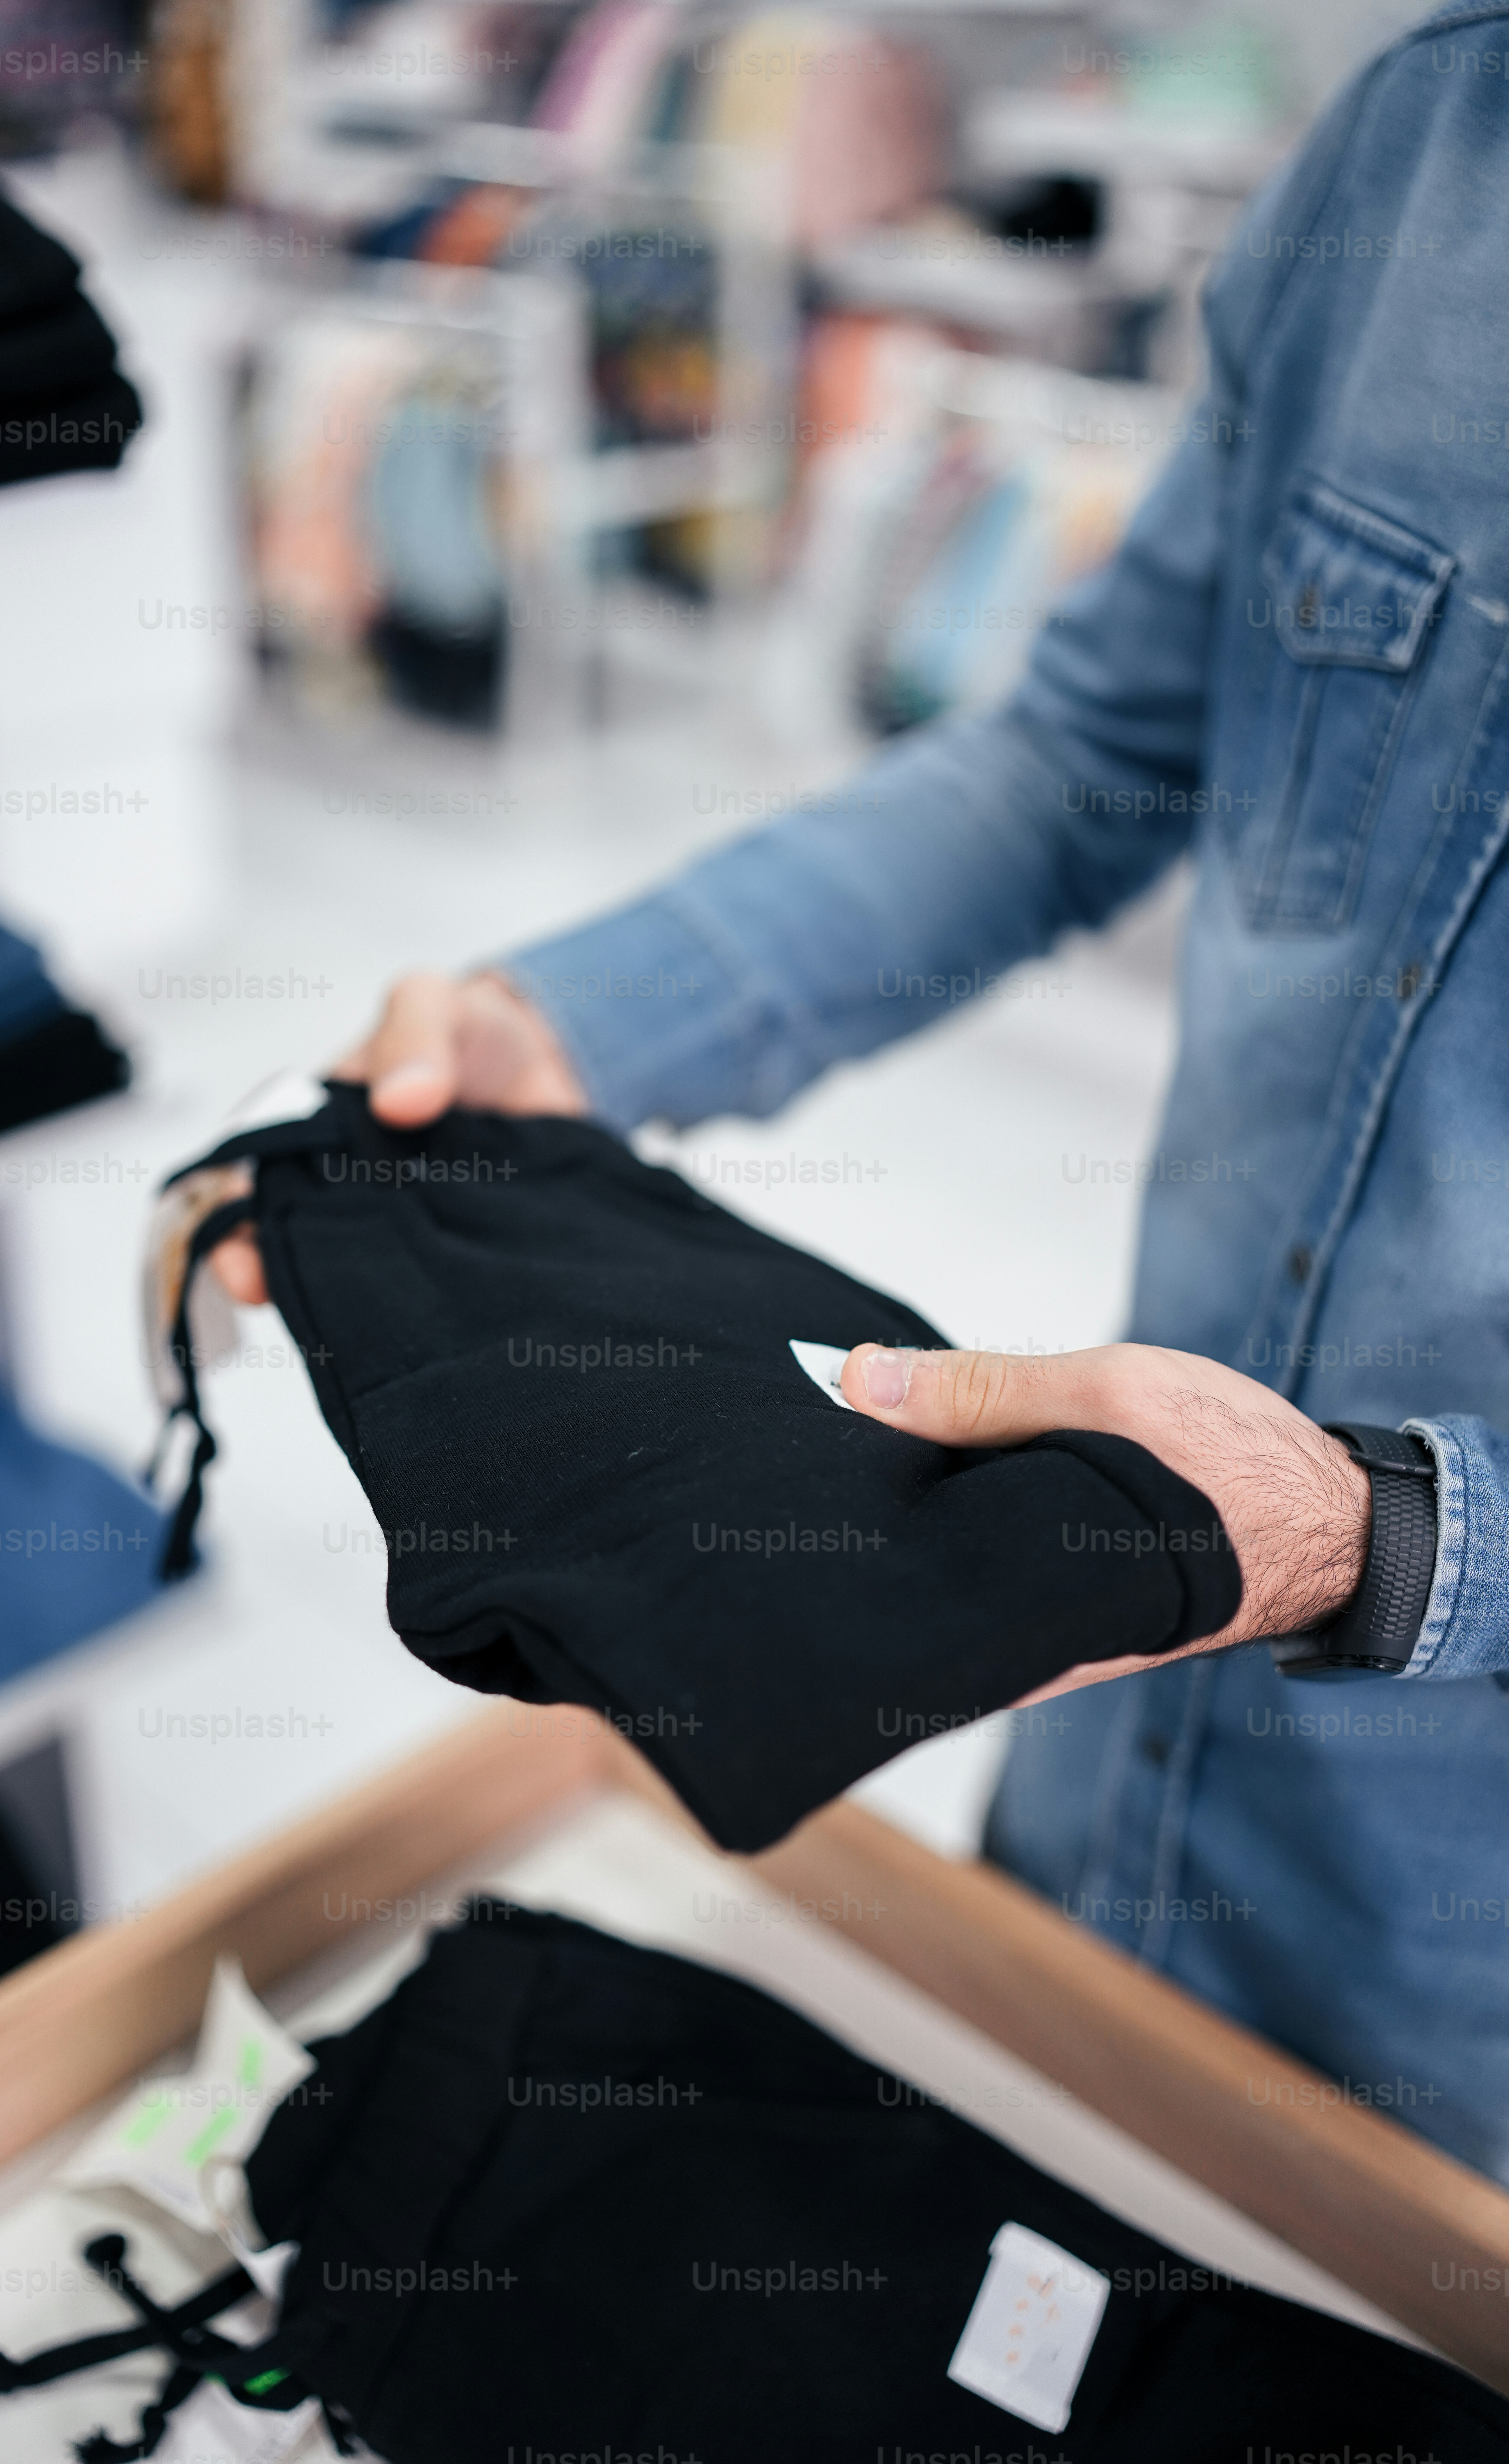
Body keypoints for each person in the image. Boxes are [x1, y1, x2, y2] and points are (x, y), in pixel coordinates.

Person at [216, 7, 1509, 2180]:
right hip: (1104, 1738)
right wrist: (589, 1021)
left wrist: (1393, 1537)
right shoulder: (1425, 141)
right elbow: (1080, 751)